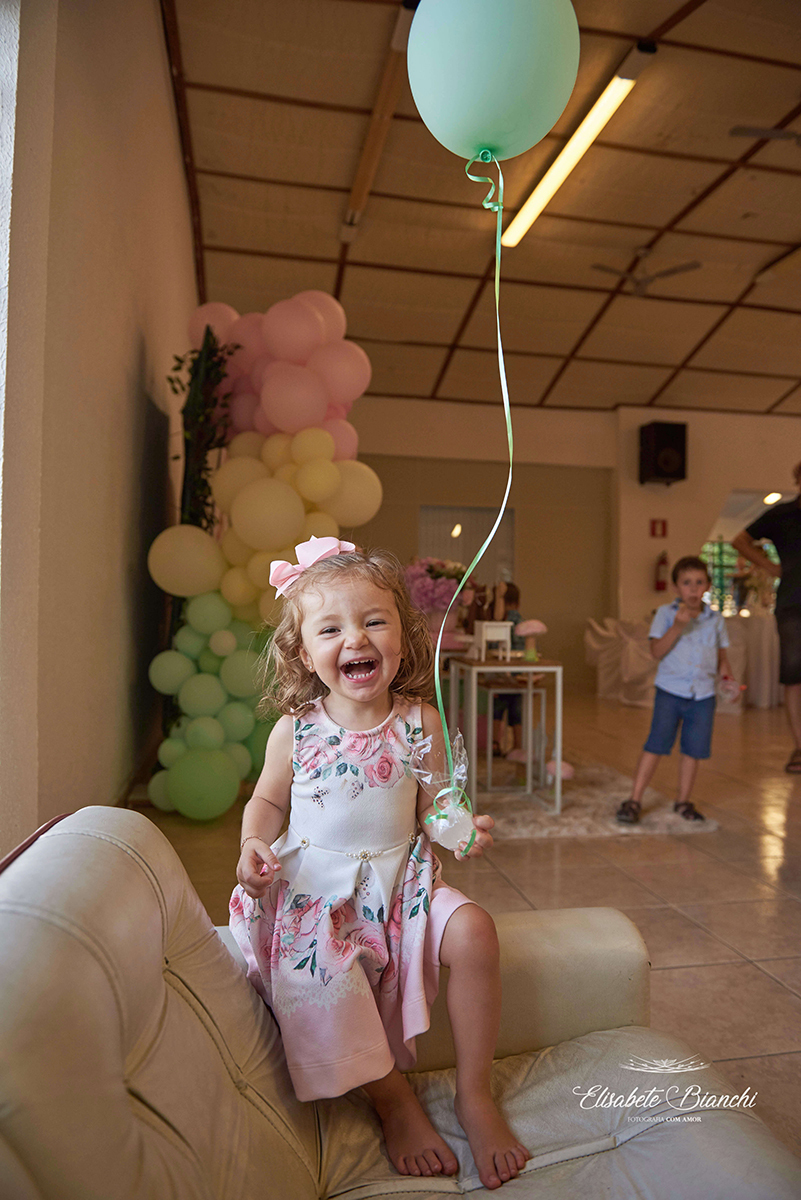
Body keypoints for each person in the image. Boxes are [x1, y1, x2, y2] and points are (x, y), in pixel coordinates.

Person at [229, 536, 530, 1191]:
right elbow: (266, 800)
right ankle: (391, 1097)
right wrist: (254, 843)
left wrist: (457, 829)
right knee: (317, 977)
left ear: (401, 635)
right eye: (331, 628)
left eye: (373, 621)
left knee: (476, 930)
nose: (355, 639)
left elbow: (436, 803)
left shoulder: (418, 721)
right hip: (316, 891)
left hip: (401, 881)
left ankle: (474, 1094)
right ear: (305, 653)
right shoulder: (296, 728)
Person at [616, 556, 734, 825]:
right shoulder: (666, 614)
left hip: (703, 695)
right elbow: (656, 651)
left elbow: (722, 656)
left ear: (707, 586)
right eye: (686, 583)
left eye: (699, 582)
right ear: (676, 588)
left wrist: (728, 677)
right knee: (656, 744)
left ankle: (683, 801)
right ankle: (634, 799)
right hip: (670, 692)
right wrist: (678, 627)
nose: (693, 588)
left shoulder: (715, 620)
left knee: (693, 750)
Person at [732, 472, 797, 772]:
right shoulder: (782, 514)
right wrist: (770, 567)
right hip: (792, 603)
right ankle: (800, 747)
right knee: (794, 673)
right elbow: (740, 540)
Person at [491, 581, 525, 758]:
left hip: (500, 674)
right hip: (516, 675)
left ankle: (495, 743)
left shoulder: (502, 620)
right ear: (518, 602)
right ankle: (519, 746)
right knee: (516, 713)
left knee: (497, 710)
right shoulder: (520, 620)